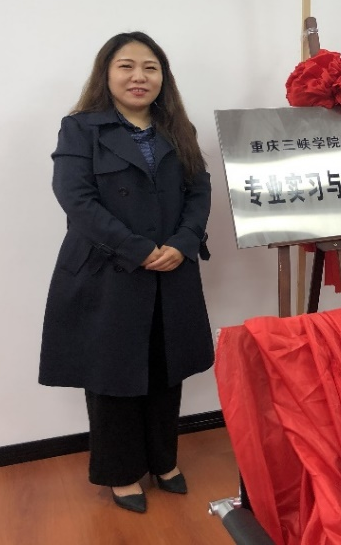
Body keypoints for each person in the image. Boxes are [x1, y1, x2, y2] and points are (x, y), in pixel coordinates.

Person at [39, 31, 214, 512]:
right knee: (112, 376)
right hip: (108, 270)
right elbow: (75, 199)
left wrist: (182, 243)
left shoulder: (178, 128)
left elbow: (199, 190)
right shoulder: (80, 128)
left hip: (171, 268)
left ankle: (163, 461)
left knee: (166, 367)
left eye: (150, 67)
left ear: (163, 77)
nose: (139, 76)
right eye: (126, 66)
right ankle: (120, 473)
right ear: (107, 74)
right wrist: (137, 249)